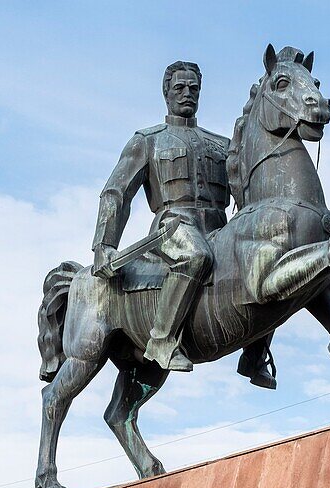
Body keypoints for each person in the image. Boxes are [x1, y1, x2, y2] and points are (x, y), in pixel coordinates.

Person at [92, 60, 276, 386]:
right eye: (179, 87)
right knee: (196, 256)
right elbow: (115, 193)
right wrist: (104, 246)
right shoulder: (147, 140)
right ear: (167, 92)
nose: (187, 93)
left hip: (218, 228)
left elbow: (247, 190)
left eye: (193, 88)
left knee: (267, 259)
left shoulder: (221, 144)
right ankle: (162, 340)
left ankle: (254, 356)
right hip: (173, 227)